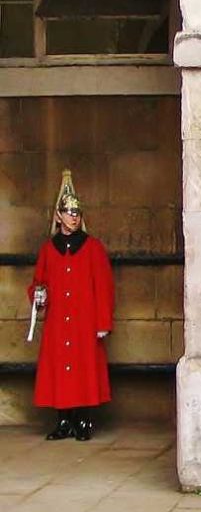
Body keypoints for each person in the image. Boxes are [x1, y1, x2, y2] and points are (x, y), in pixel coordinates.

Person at [28, 169, 114, 441]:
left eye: (77, 213)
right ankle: (63, 420)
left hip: (84, 321)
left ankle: (84, 421)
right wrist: (38, 295)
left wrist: (102, 323)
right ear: (59, 216)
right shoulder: (48, 248)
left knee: (83, 370)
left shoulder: (93, 248)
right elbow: (38, 283)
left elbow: (104, 288)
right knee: (60, 370)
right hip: (58, 321)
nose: (74, 217)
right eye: (69, 212)